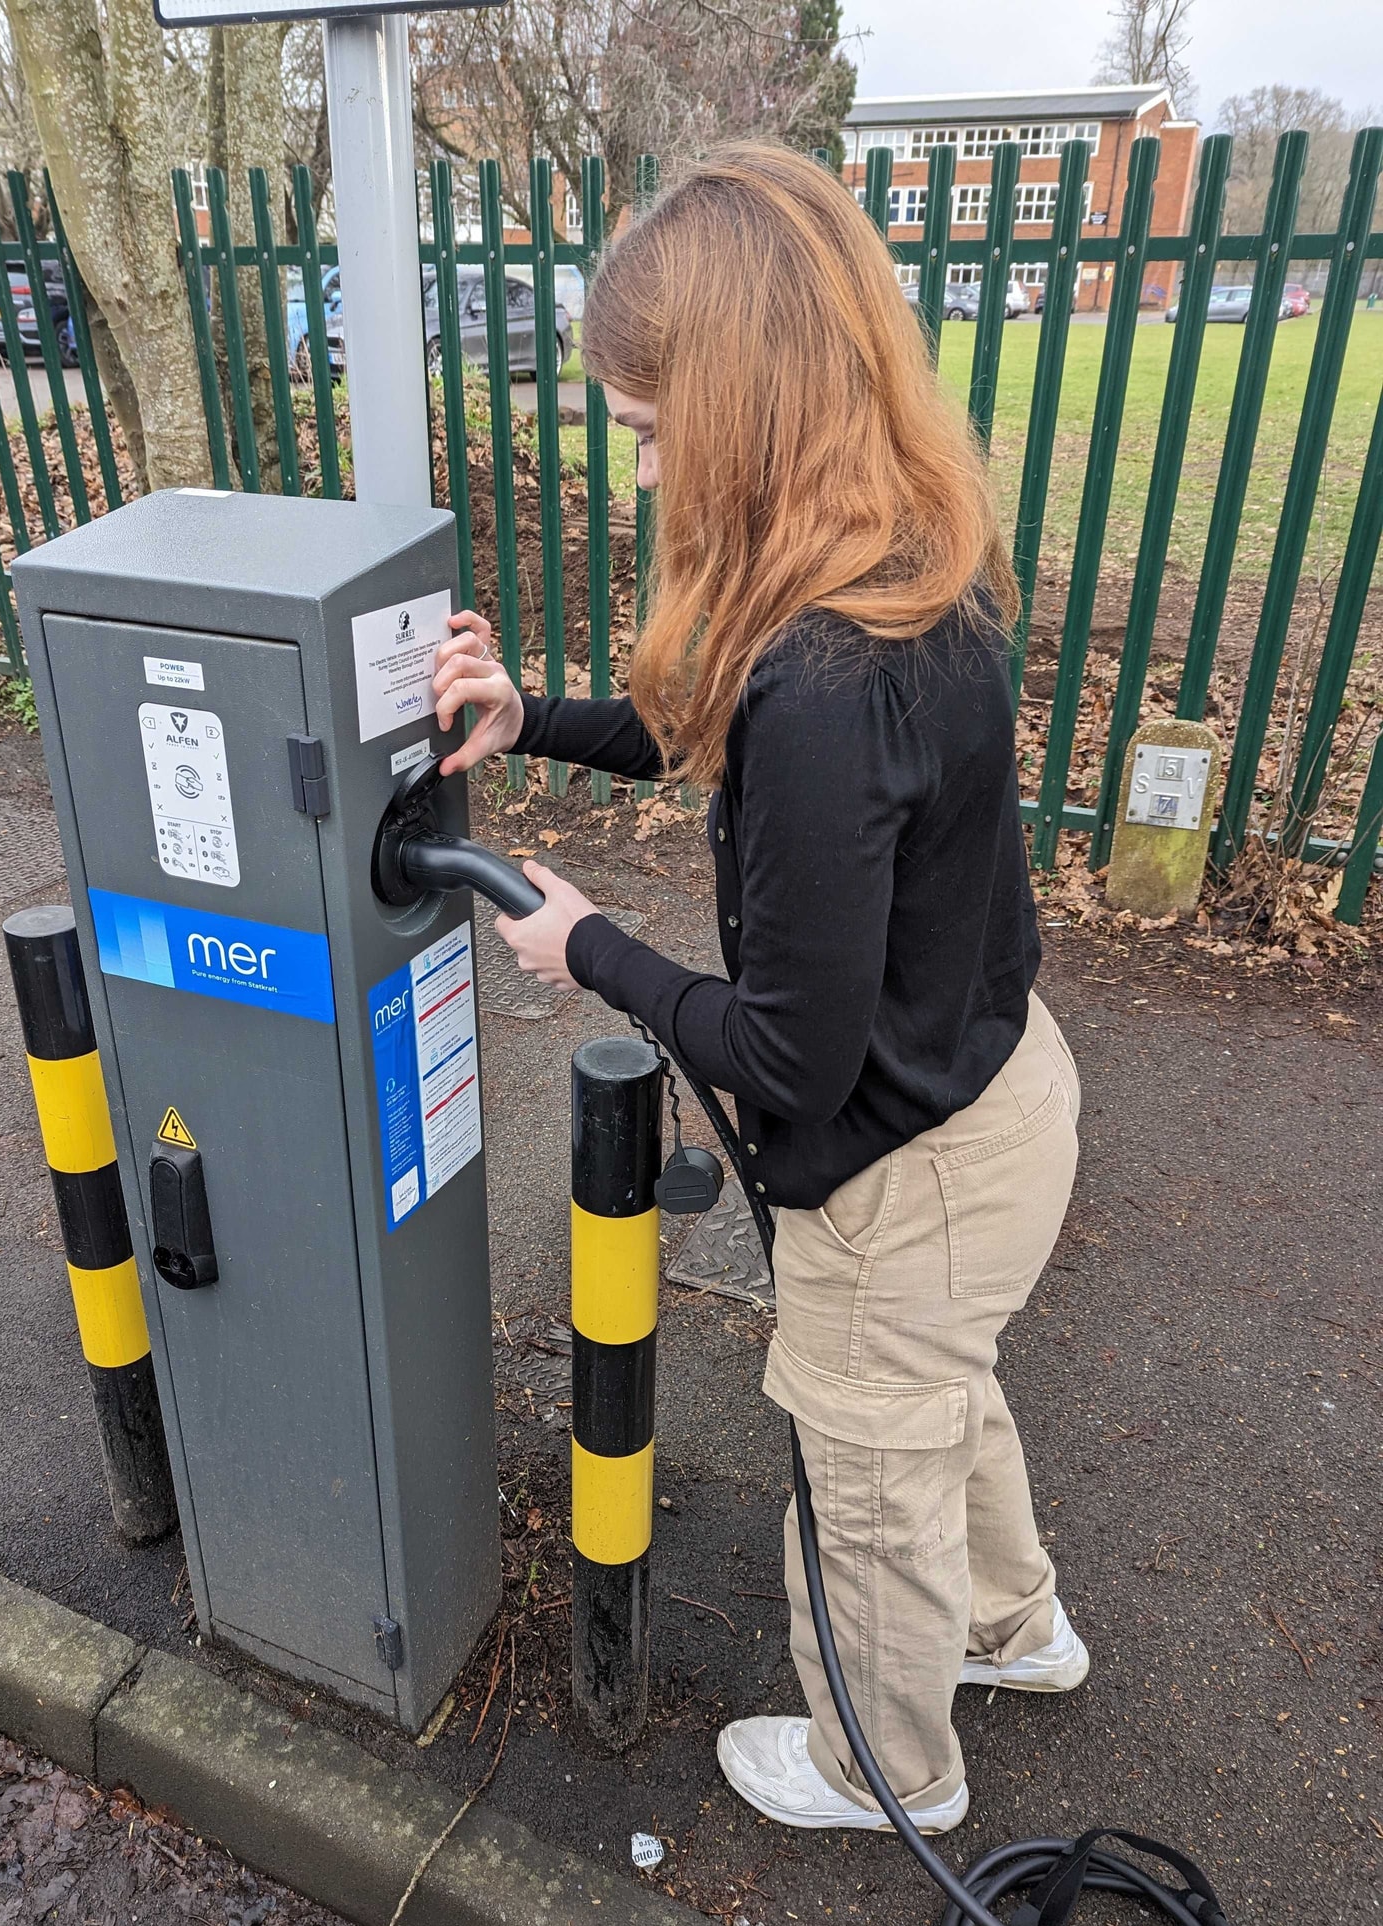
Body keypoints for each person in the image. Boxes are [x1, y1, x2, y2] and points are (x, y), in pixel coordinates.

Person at [430, 143, 1087, 1837]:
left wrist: (586, 948)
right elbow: (691, 715)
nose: (641, 472)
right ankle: (1019, 1630)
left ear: (740, 404)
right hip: (1000, 1097)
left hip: (902, 1165)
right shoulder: (904, 557)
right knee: (943, 1397)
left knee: (867, 1466)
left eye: (650, 433)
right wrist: (535, 720)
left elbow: (783, 1062)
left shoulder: (824, 677)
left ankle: (894, 1769)